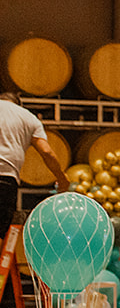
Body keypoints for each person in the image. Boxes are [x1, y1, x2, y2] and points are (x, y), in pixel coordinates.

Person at [0, 92, 68, 225]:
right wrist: (62, 178)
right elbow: (46, 152)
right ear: (18, 104)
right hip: (5, 177)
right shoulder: (28, 117)